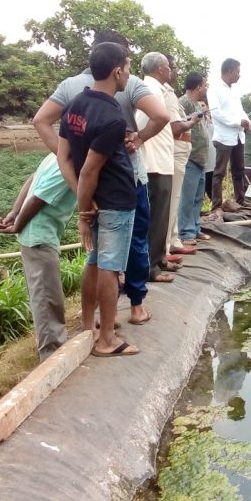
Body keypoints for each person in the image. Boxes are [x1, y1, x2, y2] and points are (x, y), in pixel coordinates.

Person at [32, 29, 168, 325]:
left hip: (87, 184)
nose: (129, 69)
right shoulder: (126, 86)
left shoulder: (71, 89)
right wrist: (140, 138)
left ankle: (91, 320)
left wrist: (67, 157)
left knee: (94, 256)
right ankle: (132, 309)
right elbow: (161, 116)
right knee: (127, 250)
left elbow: (41, 120)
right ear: (117, 65)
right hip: (125, 180)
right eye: (127, 62)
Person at [57, 42, 139, 356]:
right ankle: (106, 339)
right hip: (115, 199)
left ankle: (88, 324)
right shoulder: (111, 116)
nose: (129, 74)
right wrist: (82, 211)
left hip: (94, 201)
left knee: (93, 262)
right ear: (117, 71)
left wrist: (83, 199)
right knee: (110, 267)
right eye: (128, 68)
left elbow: (64, 158)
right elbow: (91, 168)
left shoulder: (75, 105)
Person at [0, 153, 77, 360]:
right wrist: (17, 225)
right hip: (39, 235)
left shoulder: (55, 154)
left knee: (49, 296)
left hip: (38, 232)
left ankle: (54, 347)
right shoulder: (66, 163)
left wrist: (15, 213)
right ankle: (51, 355)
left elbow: (31, 179)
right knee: (46, 299)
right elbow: (38, 197)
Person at [139, 52, 187, 282]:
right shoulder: (148, 90)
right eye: (168, 66)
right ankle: (150, 267)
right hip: (153, 162)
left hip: (162, 160)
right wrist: (141, 141)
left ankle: (158, 258)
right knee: (156, 216)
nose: (171, 70)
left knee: (162, 214)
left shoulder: (159, 89)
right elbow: (141, 123)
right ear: (159, 68)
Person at [162, 55, 201, 258]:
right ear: (162, 68)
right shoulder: (166, 94)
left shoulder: (168, 92)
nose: (176, 71)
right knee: (173, 199)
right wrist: (192, 121)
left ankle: (174, 240)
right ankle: (166, 246)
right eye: (173, 67)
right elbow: (175, 126)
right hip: (174, 148)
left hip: (180, 149)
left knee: (175, 198)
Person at [207, 58, 251, 220]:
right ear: (230, 71)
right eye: (238, 72)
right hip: (224, 137)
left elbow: (240, 111)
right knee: (219, 173)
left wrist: (248, 123)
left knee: (238, 170)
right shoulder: (214, 90)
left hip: (238, 136)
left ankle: (240, 199)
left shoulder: (233, 91)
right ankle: (216, 205)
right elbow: (216, 112)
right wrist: (236, 122)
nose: (239, 75)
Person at [177, 72, 212, 247]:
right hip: (189, 157)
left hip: (201, 158)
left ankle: (195, 228)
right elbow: (178, 126)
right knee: (187, 197)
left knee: (198, 197)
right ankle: (185, 232)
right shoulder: (182, 103)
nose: (206, 88)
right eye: (205, 85)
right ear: (198, 86)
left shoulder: (199, 104)